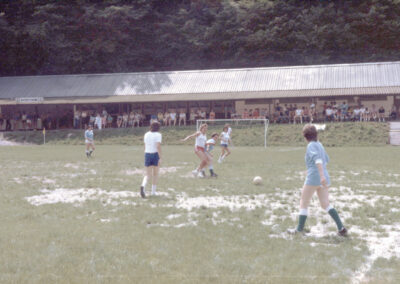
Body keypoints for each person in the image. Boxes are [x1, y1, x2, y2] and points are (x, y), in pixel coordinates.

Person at [288, 124, 347, 236]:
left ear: (305, 136)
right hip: (323, 176)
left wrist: (319, 175)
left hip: (315, 178)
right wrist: (320, 173)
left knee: (303, 203)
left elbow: (318, 160)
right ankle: (341, 228)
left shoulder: (310, 146)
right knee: (325, 204)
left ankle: (299, 230)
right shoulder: (319, 144)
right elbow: (326, 159)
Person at [140, 121, 162, 198]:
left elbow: (145, 146)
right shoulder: (158, 134)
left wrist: (145, 153)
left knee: (147, 174)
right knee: (155, 174)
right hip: (155, 154)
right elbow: (158, 146)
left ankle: (143, 185)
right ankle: (153, 192)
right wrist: (160, 157)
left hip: (147, 154)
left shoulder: (146, 134)